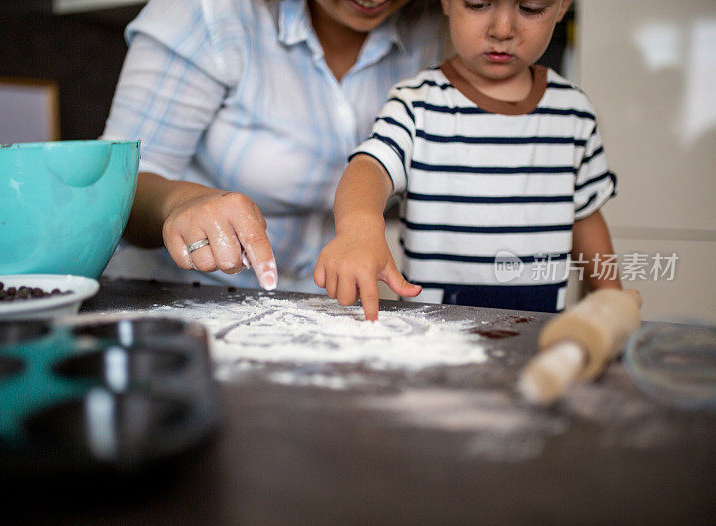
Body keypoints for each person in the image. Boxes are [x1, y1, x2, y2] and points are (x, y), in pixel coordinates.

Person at [102, 0, 446, 292]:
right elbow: (117, 186)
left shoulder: (445, 26)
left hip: (323, 310)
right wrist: (180, 202)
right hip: (181, 300)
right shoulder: (210, 13)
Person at [315, 0, 622, 320]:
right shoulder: (417, 102)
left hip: (538, 332)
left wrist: (611, 296)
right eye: (479, 4)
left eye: (530, 9)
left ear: (561, 7)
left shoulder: (573, 112)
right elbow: (371, 167)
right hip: (434, 337)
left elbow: (585, 216)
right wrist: (359, 228)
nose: (502, 30)